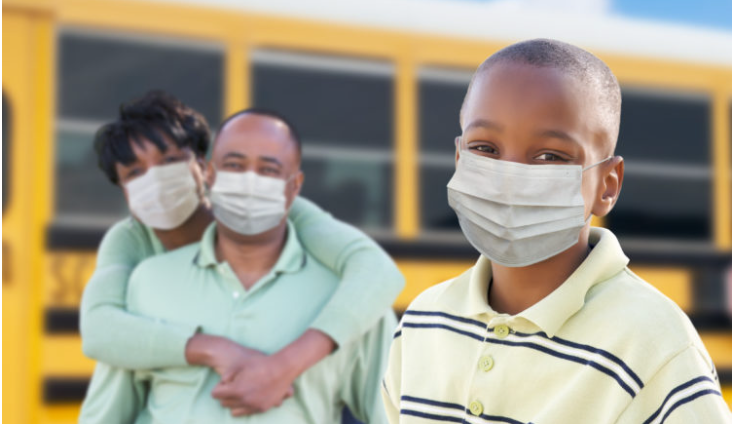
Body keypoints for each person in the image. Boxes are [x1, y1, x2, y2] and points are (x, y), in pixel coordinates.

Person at [381, 39, 731, 424]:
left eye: (550, 156)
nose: (510, 179)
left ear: (608, 185)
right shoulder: (423, 320)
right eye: (485, 148)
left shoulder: (656, 346)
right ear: (459, 159)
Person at [79, 92, 404, 423]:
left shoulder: (295, 220)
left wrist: (282, 368)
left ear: (201, 167)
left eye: (169, 161)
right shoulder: (135, 257)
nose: (156, 181)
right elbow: (101, 331)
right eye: (135, 172)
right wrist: (212, 348)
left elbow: (376, 271)